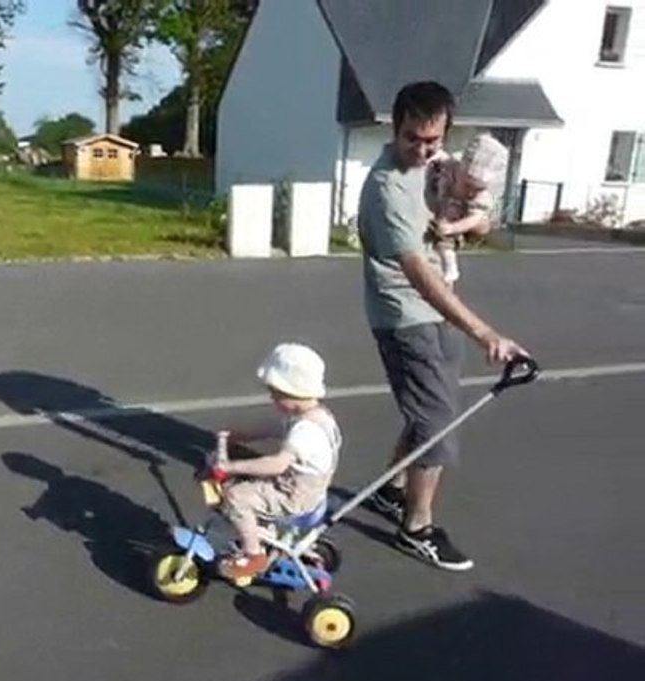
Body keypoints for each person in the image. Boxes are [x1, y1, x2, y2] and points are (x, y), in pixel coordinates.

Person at [357, 81, 528, 571]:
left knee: (430, 409)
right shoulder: (385, 189)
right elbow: (421, 276)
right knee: (436, 425)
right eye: (413, 138)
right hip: (405, 316)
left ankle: (390, 490)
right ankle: (417, 528)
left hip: (436, 311)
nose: (424, 148)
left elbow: (482, 224)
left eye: (433, 139)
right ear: (396, 128)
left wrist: (466, 215)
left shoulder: (437, 164)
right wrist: (486, 333)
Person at [211, 343, 342, 581]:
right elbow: (273, 429)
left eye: (275, 393)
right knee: (246, 473)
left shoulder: (306, 430)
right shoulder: (315, 416)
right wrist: (240, 435)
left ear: (291, 393)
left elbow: (277, 465)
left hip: (294, 496)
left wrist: (231, 467)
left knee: (236, 496)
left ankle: (253, 554)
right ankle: (260, 532)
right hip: (307, 488)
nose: (271, 399)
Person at [428, 132, 510, 285]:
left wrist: (453, 228)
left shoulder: (480, 197)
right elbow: (441, 158)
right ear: (461, 168)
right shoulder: (450, 166)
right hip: (441, 206)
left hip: (453, 219)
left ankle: (450, 265)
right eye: (467, 185)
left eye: (478, 189)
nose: (471, 192)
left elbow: (476, 219)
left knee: (446, 237)